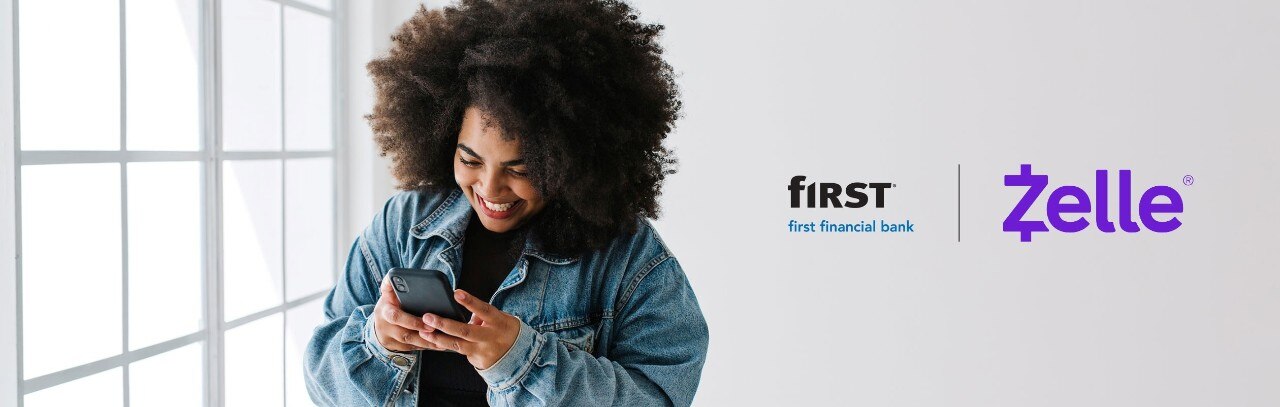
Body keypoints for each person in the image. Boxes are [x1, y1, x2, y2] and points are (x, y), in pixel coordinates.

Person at [303, 0, 709, 406]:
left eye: (522, 169)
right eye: (469, 159)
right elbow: (322, 381)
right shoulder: (404, 223)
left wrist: (522, 361)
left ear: (571, 159)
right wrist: (379, 343)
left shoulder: (627, 259)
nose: (490, 188)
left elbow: (661, 396)